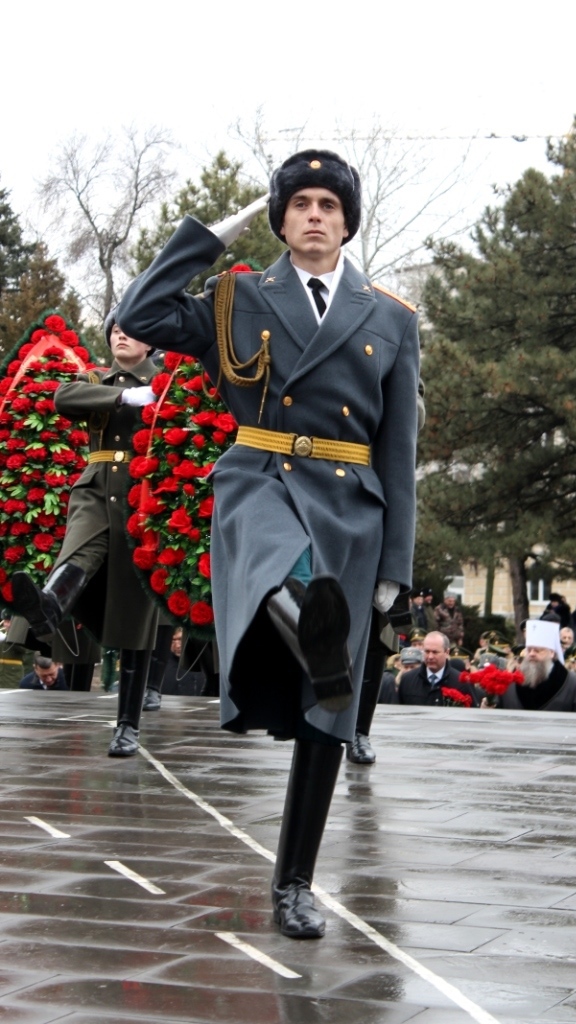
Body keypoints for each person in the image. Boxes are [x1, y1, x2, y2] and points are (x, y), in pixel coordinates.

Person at [117, 149, 419, 939]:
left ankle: (294, 885)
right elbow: (141, 315)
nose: (314, 215)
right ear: (281, 218)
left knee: (328, 711)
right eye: (299, 204)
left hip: (353, 504)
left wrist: (396, 568)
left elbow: (399, 450)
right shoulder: (236, 298)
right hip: (261, 480)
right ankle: (315, 640)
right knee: (286, 569)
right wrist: (206, 236)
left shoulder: (390, 317)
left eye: (328, 203)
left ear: (347, 220)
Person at [10, 318, 159, 756]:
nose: (119, 334)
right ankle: (48, 608)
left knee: (135, 613)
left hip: (142, 493)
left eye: (131, 329)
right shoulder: (97, 379)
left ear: (151, 341)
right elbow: (63, 396)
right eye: (114, 329)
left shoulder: (166, 382)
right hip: (95, 487)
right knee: (77, 553)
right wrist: (124, 397)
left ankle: (127, 725)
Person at [498, 619, 576, 712]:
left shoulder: (569, 682)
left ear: (551, 653)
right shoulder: (512, 682)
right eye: (529, 650)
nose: (532, 654)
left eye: (538, 650)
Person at [398, 631, 479, 706]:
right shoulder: (408, 680)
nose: (430, 657)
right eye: (427, 651)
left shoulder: (462, 683)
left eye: (435, 652)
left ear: (446, 653)